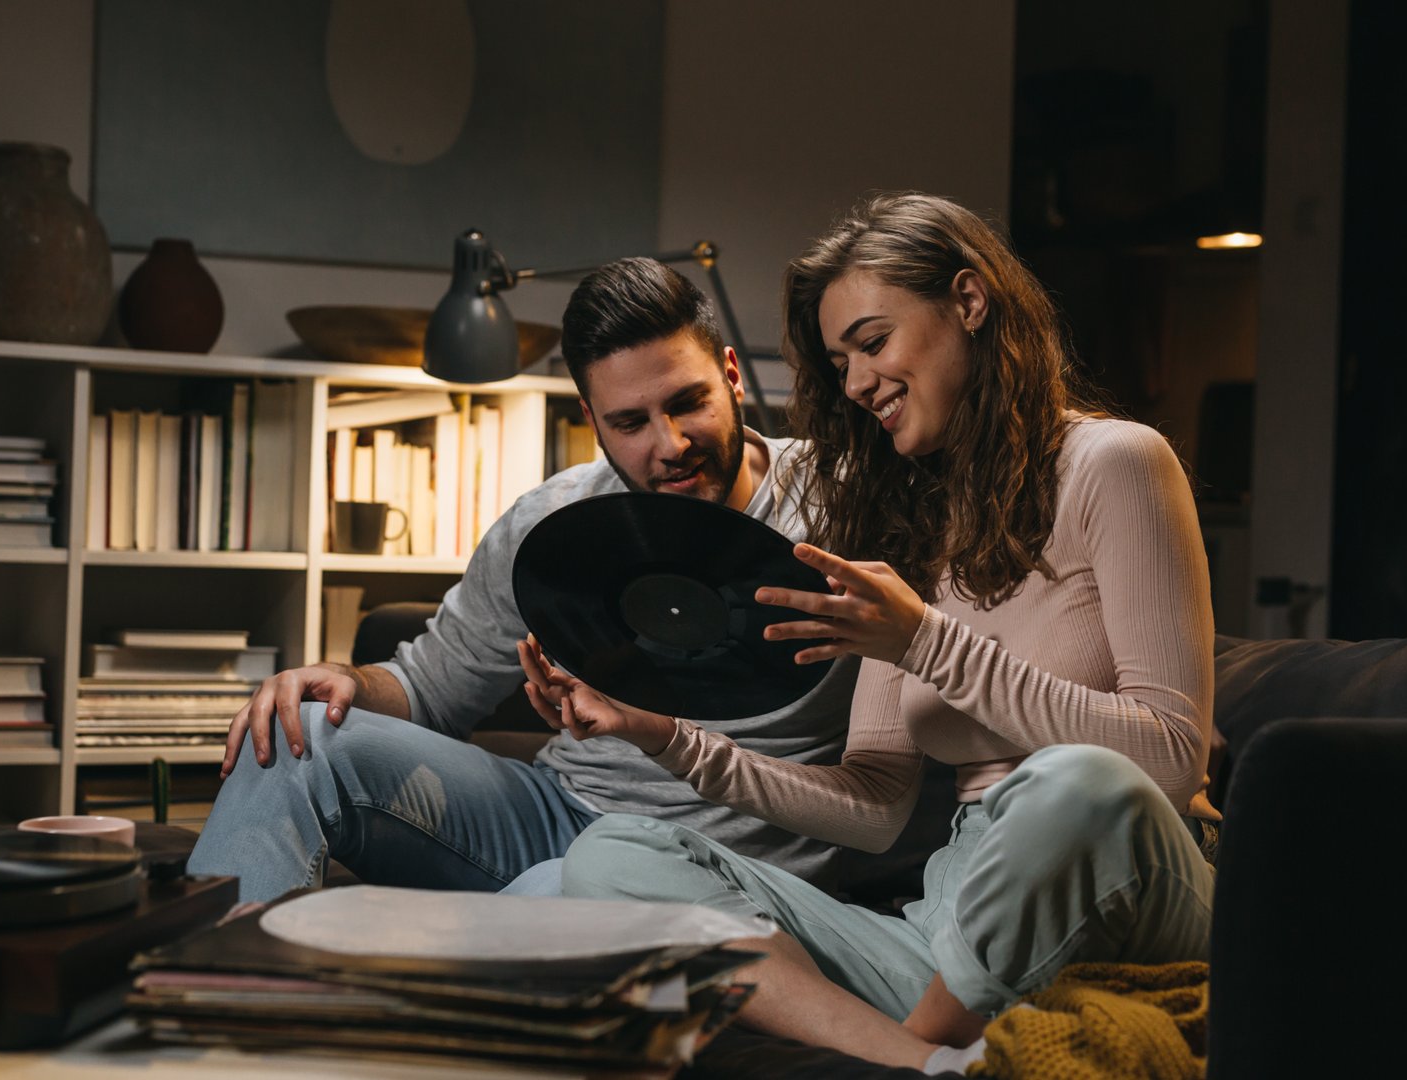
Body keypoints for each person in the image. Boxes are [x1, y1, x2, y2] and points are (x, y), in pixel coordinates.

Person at [536, 194, 1218, 1071]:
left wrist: (925, 644)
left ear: (969, 303)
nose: (856, 382)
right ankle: (922, 1062)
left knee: (1071, 782)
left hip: (1126, 878)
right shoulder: (917, 524)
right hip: (952, 927)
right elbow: (872, 809)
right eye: (838, 360)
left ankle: (920, 1040)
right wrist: (662, 737)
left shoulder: (1116, 463)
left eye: (872, 342)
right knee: (612, 856)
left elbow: (1168, 758)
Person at [187, 257, 860, 903]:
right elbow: (429, 690)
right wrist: (346, 680)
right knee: (297, 735)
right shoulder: (554, 519)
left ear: (732, 375)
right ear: (591, 419)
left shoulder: (850, 505)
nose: (670, 444)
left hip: (721, 864)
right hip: (554, 818)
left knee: (554, 890)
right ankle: (204, 994)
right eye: (630, 422)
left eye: (688, 403)